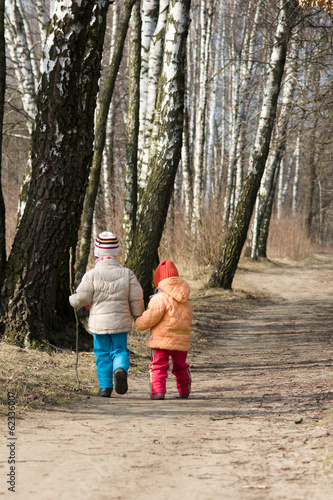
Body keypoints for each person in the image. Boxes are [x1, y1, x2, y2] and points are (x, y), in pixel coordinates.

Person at [69, 231, 144, 398]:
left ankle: (105, 387)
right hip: (120, 322)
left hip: (100, 324)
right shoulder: (127, 273)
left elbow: (83, 297)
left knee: (102, 354)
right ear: (116, 252)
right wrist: (139, 315)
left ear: (97, 252)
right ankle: (120, 369)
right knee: (120, 350)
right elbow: (137, 296)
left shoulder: (91, 275)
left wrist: (72, 300)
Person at [135, 260, 193, 400]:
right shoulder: (185, 300)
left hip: (161, 342)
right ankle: (184, 391)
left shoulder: (159, 298)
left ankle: (158, 392)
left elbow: (151, 317)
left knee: (158, 366)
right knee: (181, 367)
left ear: (158, 281)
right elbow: (188, 319)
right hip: (181, 340)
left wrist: (139, 322)